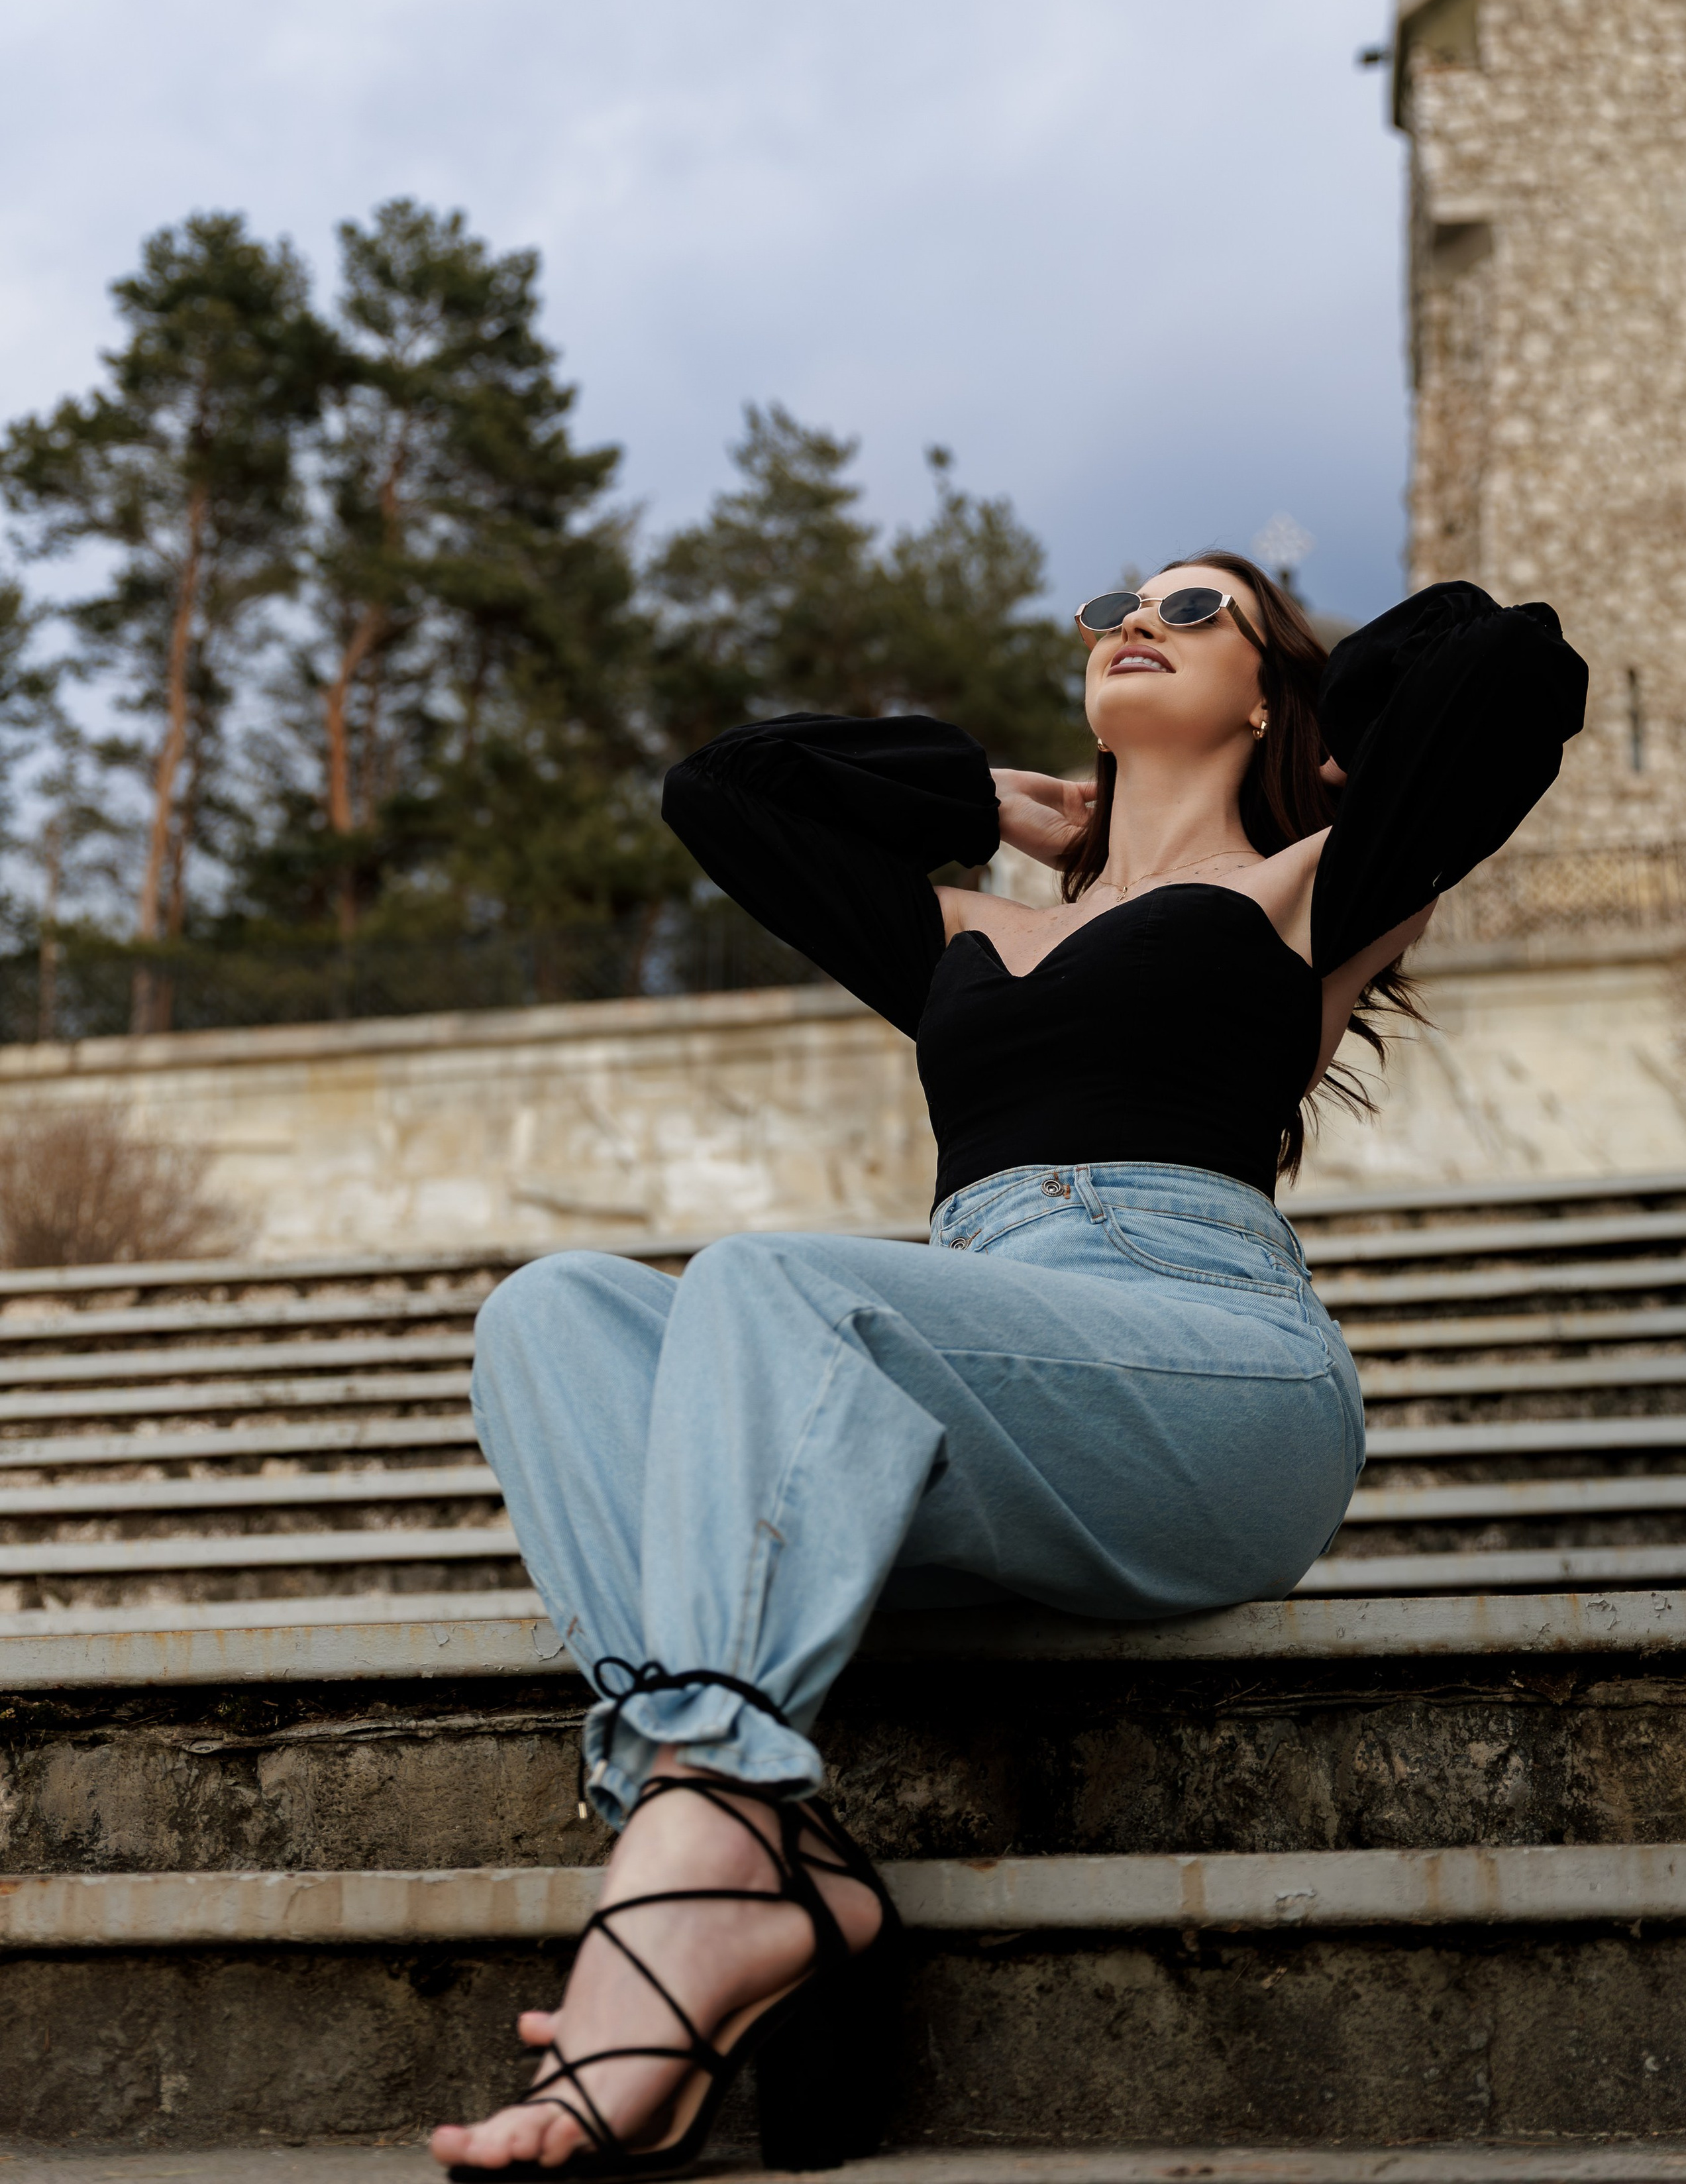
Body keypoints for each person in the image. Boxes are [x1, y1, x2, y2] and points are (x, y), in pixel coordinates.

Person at [432, 557, 1587, 2179]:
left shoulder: (1318, 882)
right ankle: (765, 1847)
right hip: (973, 1368)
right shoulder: (960, 928)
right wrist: (987, 803)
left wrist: (1331, 749)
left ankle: (686, 1852)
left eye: (1191, 611)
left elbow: (1503, 667)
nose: (1130, 621)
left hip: (1206, 1371)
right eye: (1116, 606)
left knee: (771, 1284)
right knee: (545, 1312)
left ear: (1265, 691)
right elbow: (724, 793)